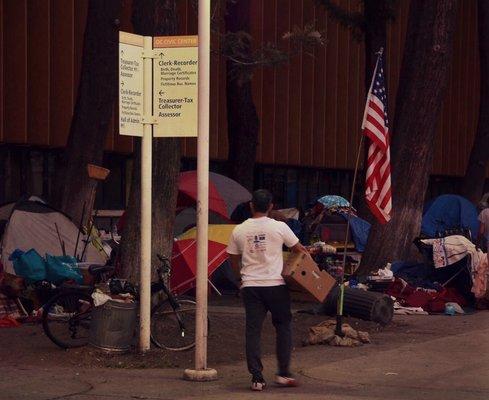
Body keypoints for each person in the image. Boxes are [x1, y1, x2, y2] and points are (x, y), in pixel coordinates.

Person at [226, 189, 307, 391]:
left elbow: (233, 259)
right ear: (271, 206)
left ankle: (256, 378)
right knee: (283, 327)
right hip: (276, 285)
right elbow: (299, 250)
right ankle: (283, 374)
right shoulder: (280, 227)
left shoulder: (239, 230)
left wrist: (239, 279)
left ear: (251, 205)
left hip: (251, 286)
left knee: (253, 330)